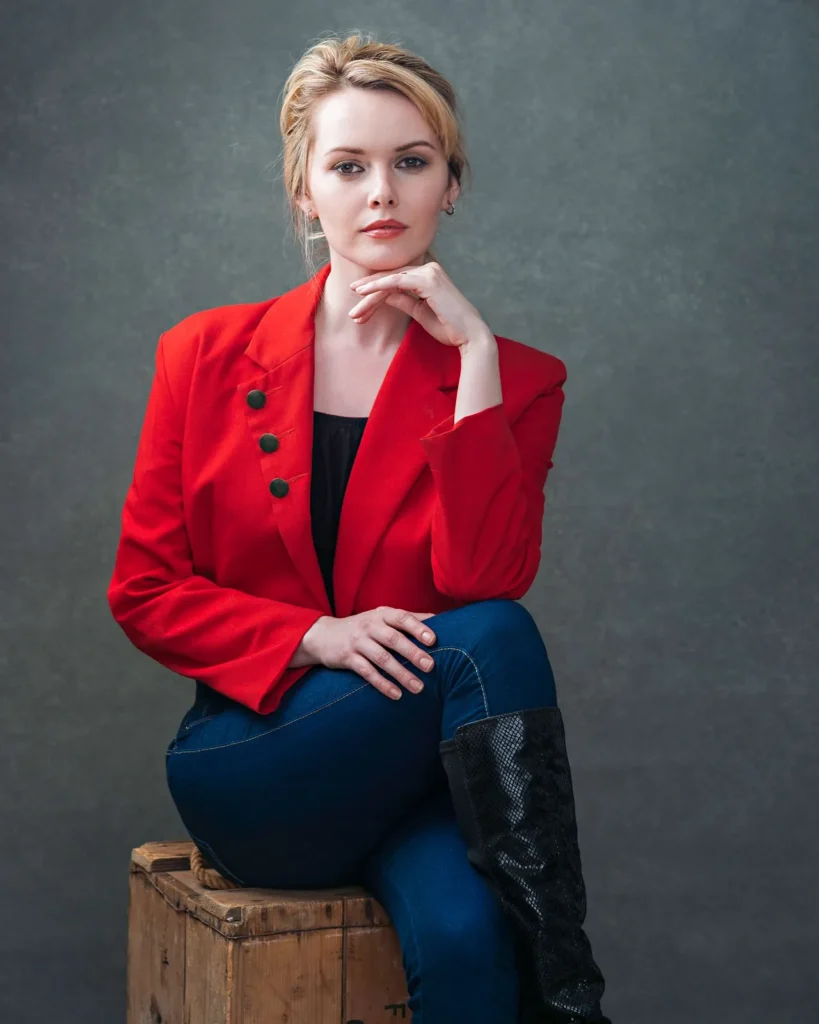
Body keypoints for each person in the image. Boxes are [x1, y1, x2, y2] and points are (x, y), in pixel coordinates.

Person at [107, 30, 613, 1024]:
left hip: (413, 782)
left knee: (471, 948)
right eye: (348, 166)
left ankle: (556, 995)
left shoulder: (518, 380)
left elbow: (482, 573)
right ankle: (578, 998)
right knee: (495, 638)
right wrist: (316, 636)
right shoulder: (201, 355)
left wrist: (471, 355)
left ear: (450, 186)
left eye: (411, 162)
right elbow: (145, 592)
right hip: (257, 764)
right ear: (305, 189)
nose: (381, 192)